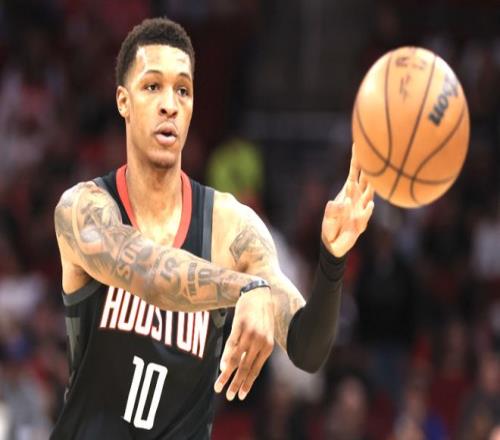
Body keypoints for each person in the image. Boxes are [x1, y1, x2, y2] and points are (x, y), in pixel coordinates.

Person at [50, 17, 374, 439]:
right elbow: (149, 273)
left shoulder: (230, 226)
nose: (169, 104)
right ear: (123, 101)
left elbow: (306, 349)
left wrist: (332, 260)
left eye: (182, 90)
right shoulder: (84, 209)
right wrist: (247, 288)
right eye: (153, 86)